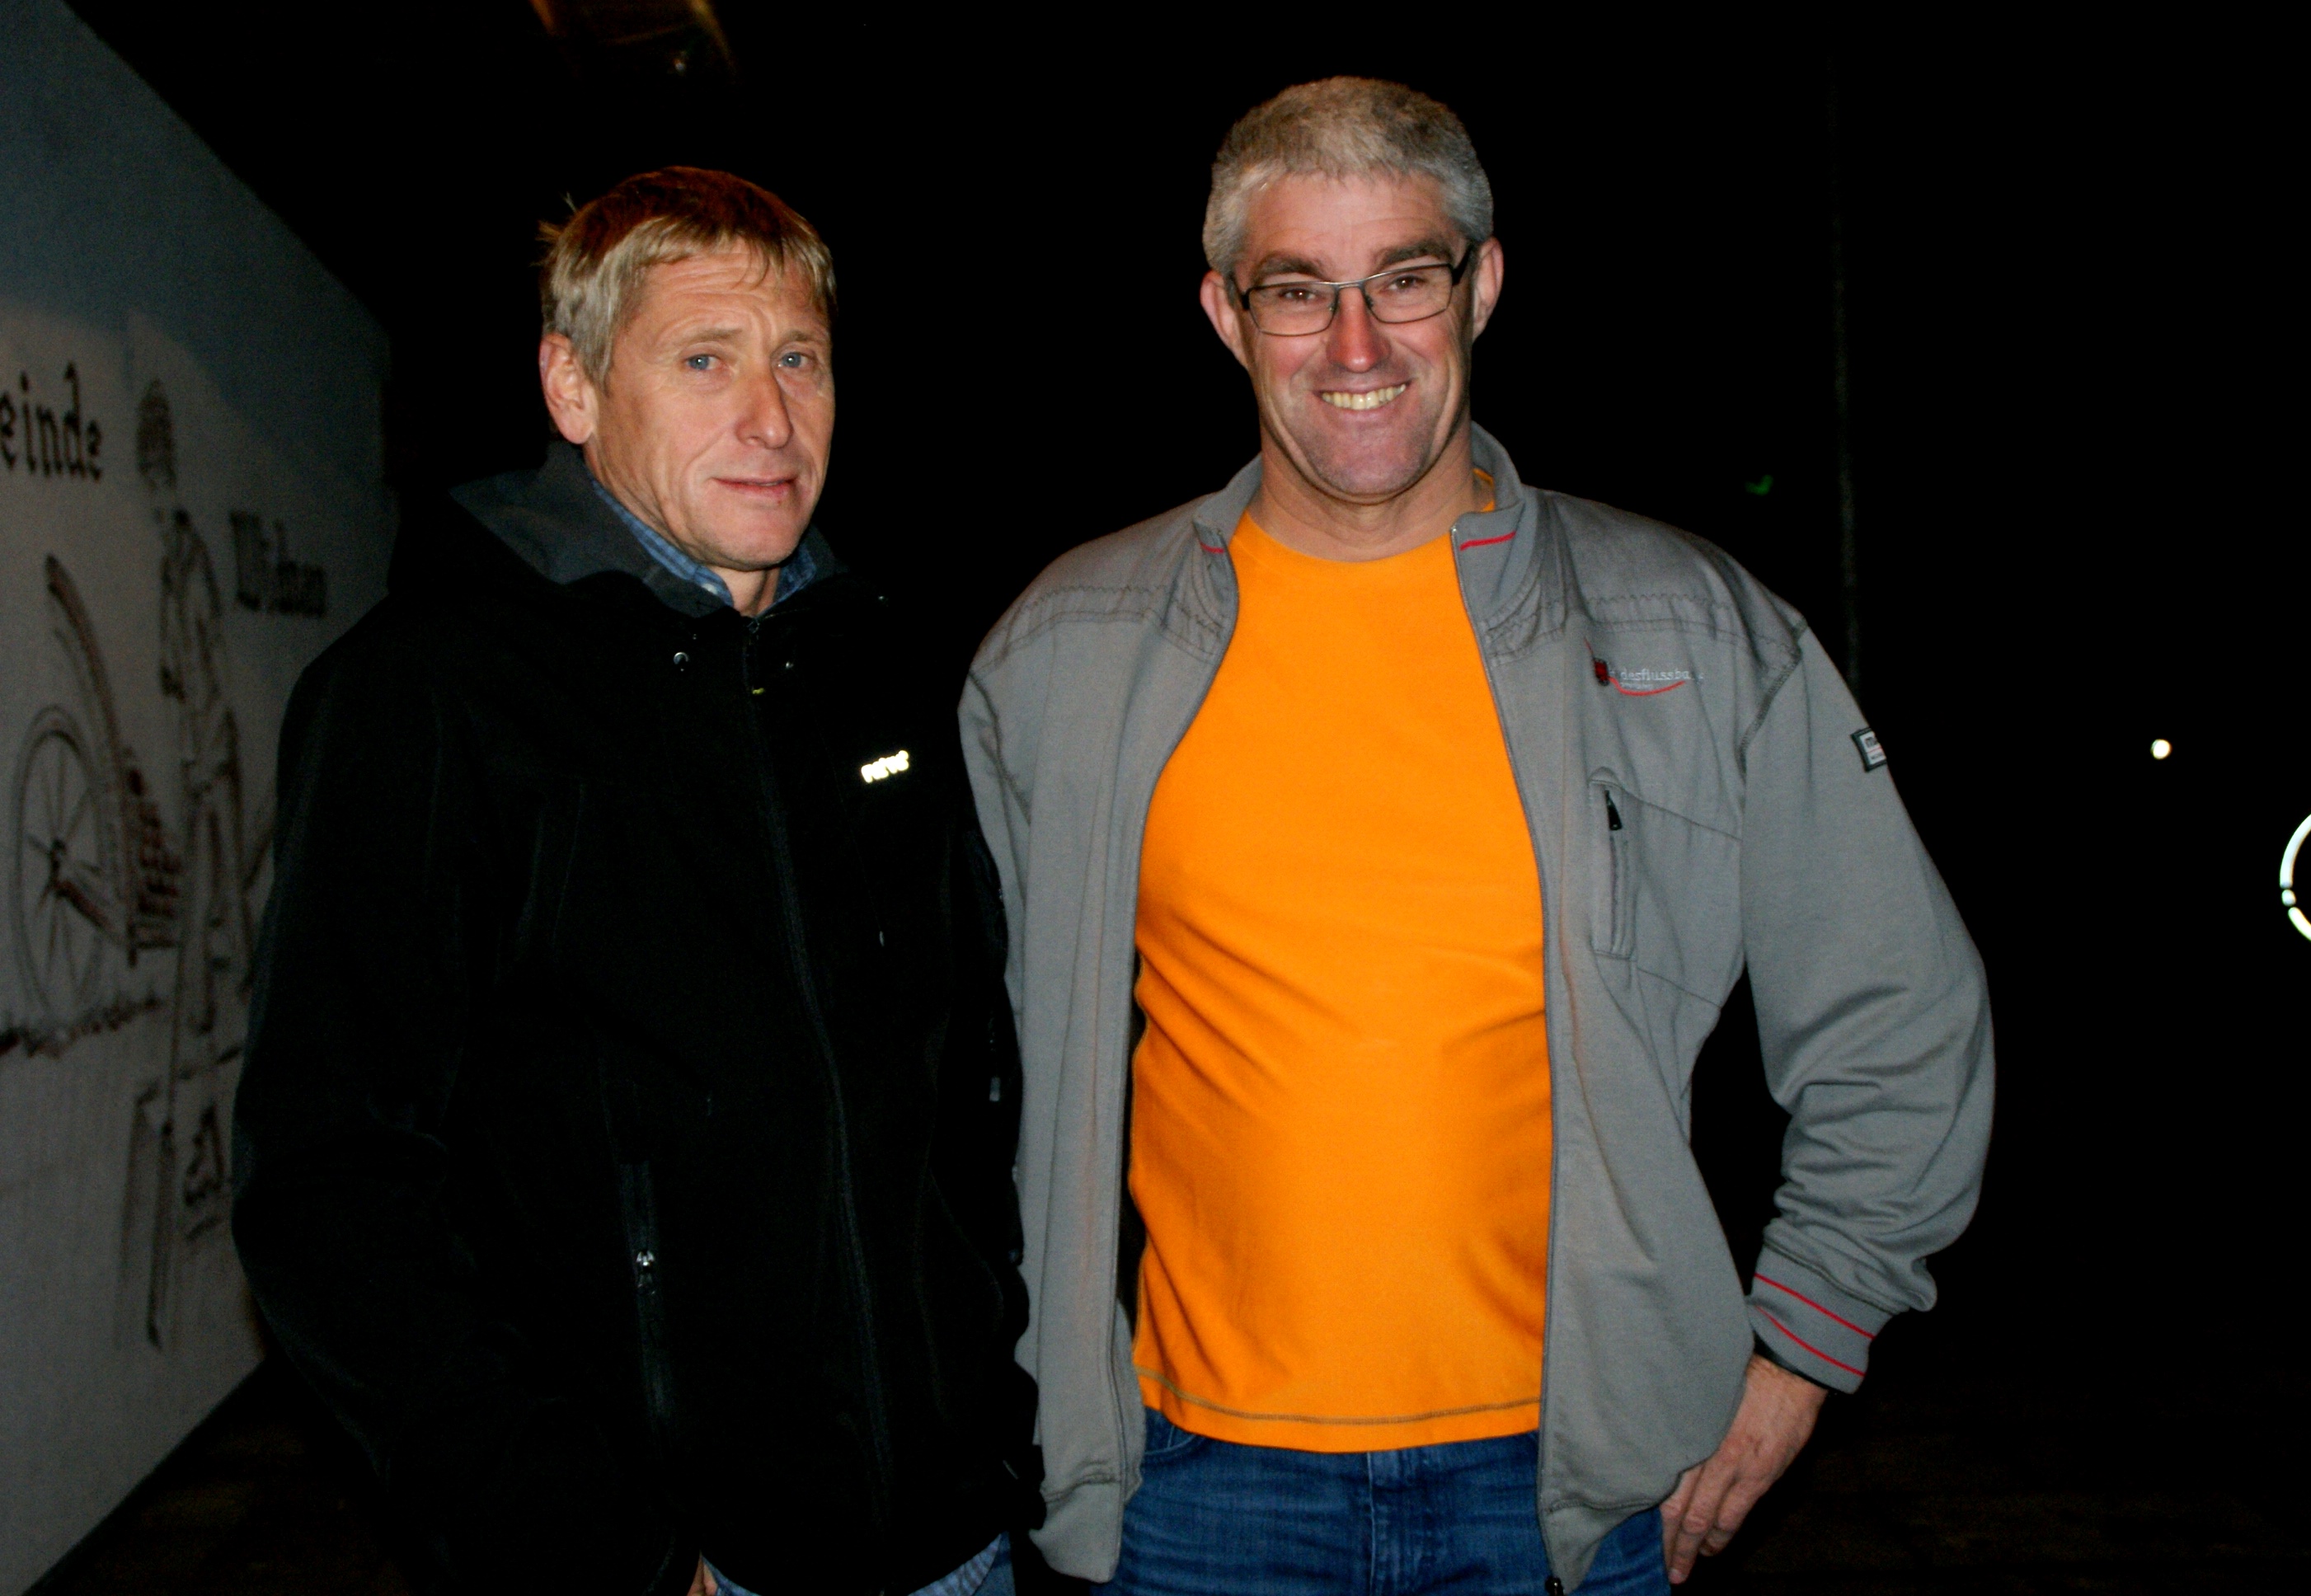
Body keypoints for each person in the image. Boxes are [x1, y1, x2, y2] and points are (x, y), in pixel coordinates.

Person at [960, 80, 1994, 1594]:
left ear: (1484, 285)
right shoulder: (1069, 653)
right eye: (1298, 290)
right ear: (1226, 314)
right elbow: (936, 1083)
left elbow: (1900, 1018)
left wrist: (1800, 1350)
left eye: (1405, 278)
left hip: (1581, 1490)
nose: (1356, 346)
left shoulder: (1686, 632)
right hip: (1191, 1494)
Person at [234, 167, 1037, 1596]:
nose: (771, 418)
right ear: (573, 386)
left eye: (800, 360)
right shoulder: (432, 699)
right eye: (705, 361)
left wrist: (998, 1426)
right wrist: (603, 1551)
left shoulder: (884, 678)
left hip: (957, 1544)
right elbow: (331, 1192)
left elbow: (971, 1092)